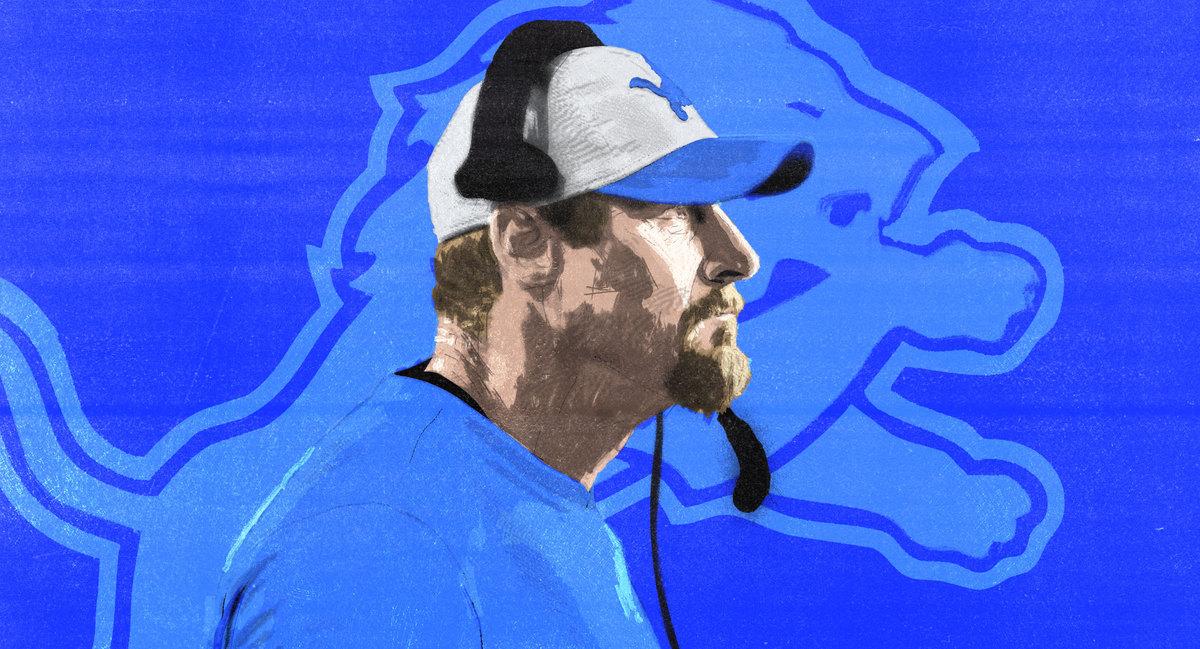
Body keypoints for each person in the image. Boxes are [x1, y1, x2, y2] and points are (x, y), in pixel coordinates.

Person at [211, 20, 811, 648]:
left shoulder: (521, 503)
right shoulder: (381, 543)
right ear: (526, 245)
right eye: (677, 212)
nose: (739, 256)